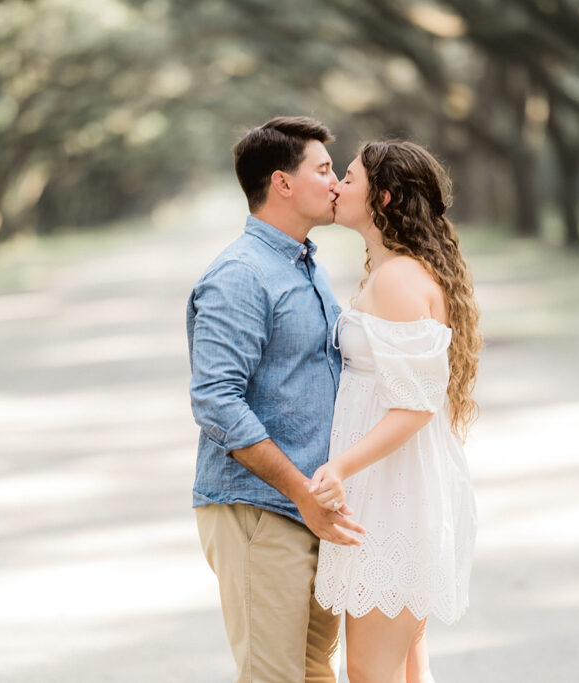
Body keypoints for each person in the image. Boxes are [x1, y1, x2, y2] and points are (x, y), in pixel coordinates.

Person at [186, 116, 366, 683]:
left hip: (311, 507)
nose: (335, 182)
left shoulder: (305, 264)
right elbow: (216, 399)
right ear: (282, 183)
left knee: (315, 671)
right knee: (274, 677)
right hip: (260, 510)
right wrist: (300, 492)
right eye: (323, 169)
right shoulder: (240, 275)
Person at [309, 140, 482, 683]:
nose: (336, 183)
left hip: (393, 494)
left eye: (350, 178)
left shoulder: (398, 279)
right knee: (407, 665)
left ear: (381, 198)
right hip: (391, 487)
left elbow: (415, 408)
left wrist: (339, 468)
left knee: (370, 671)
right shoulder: (391, 272)